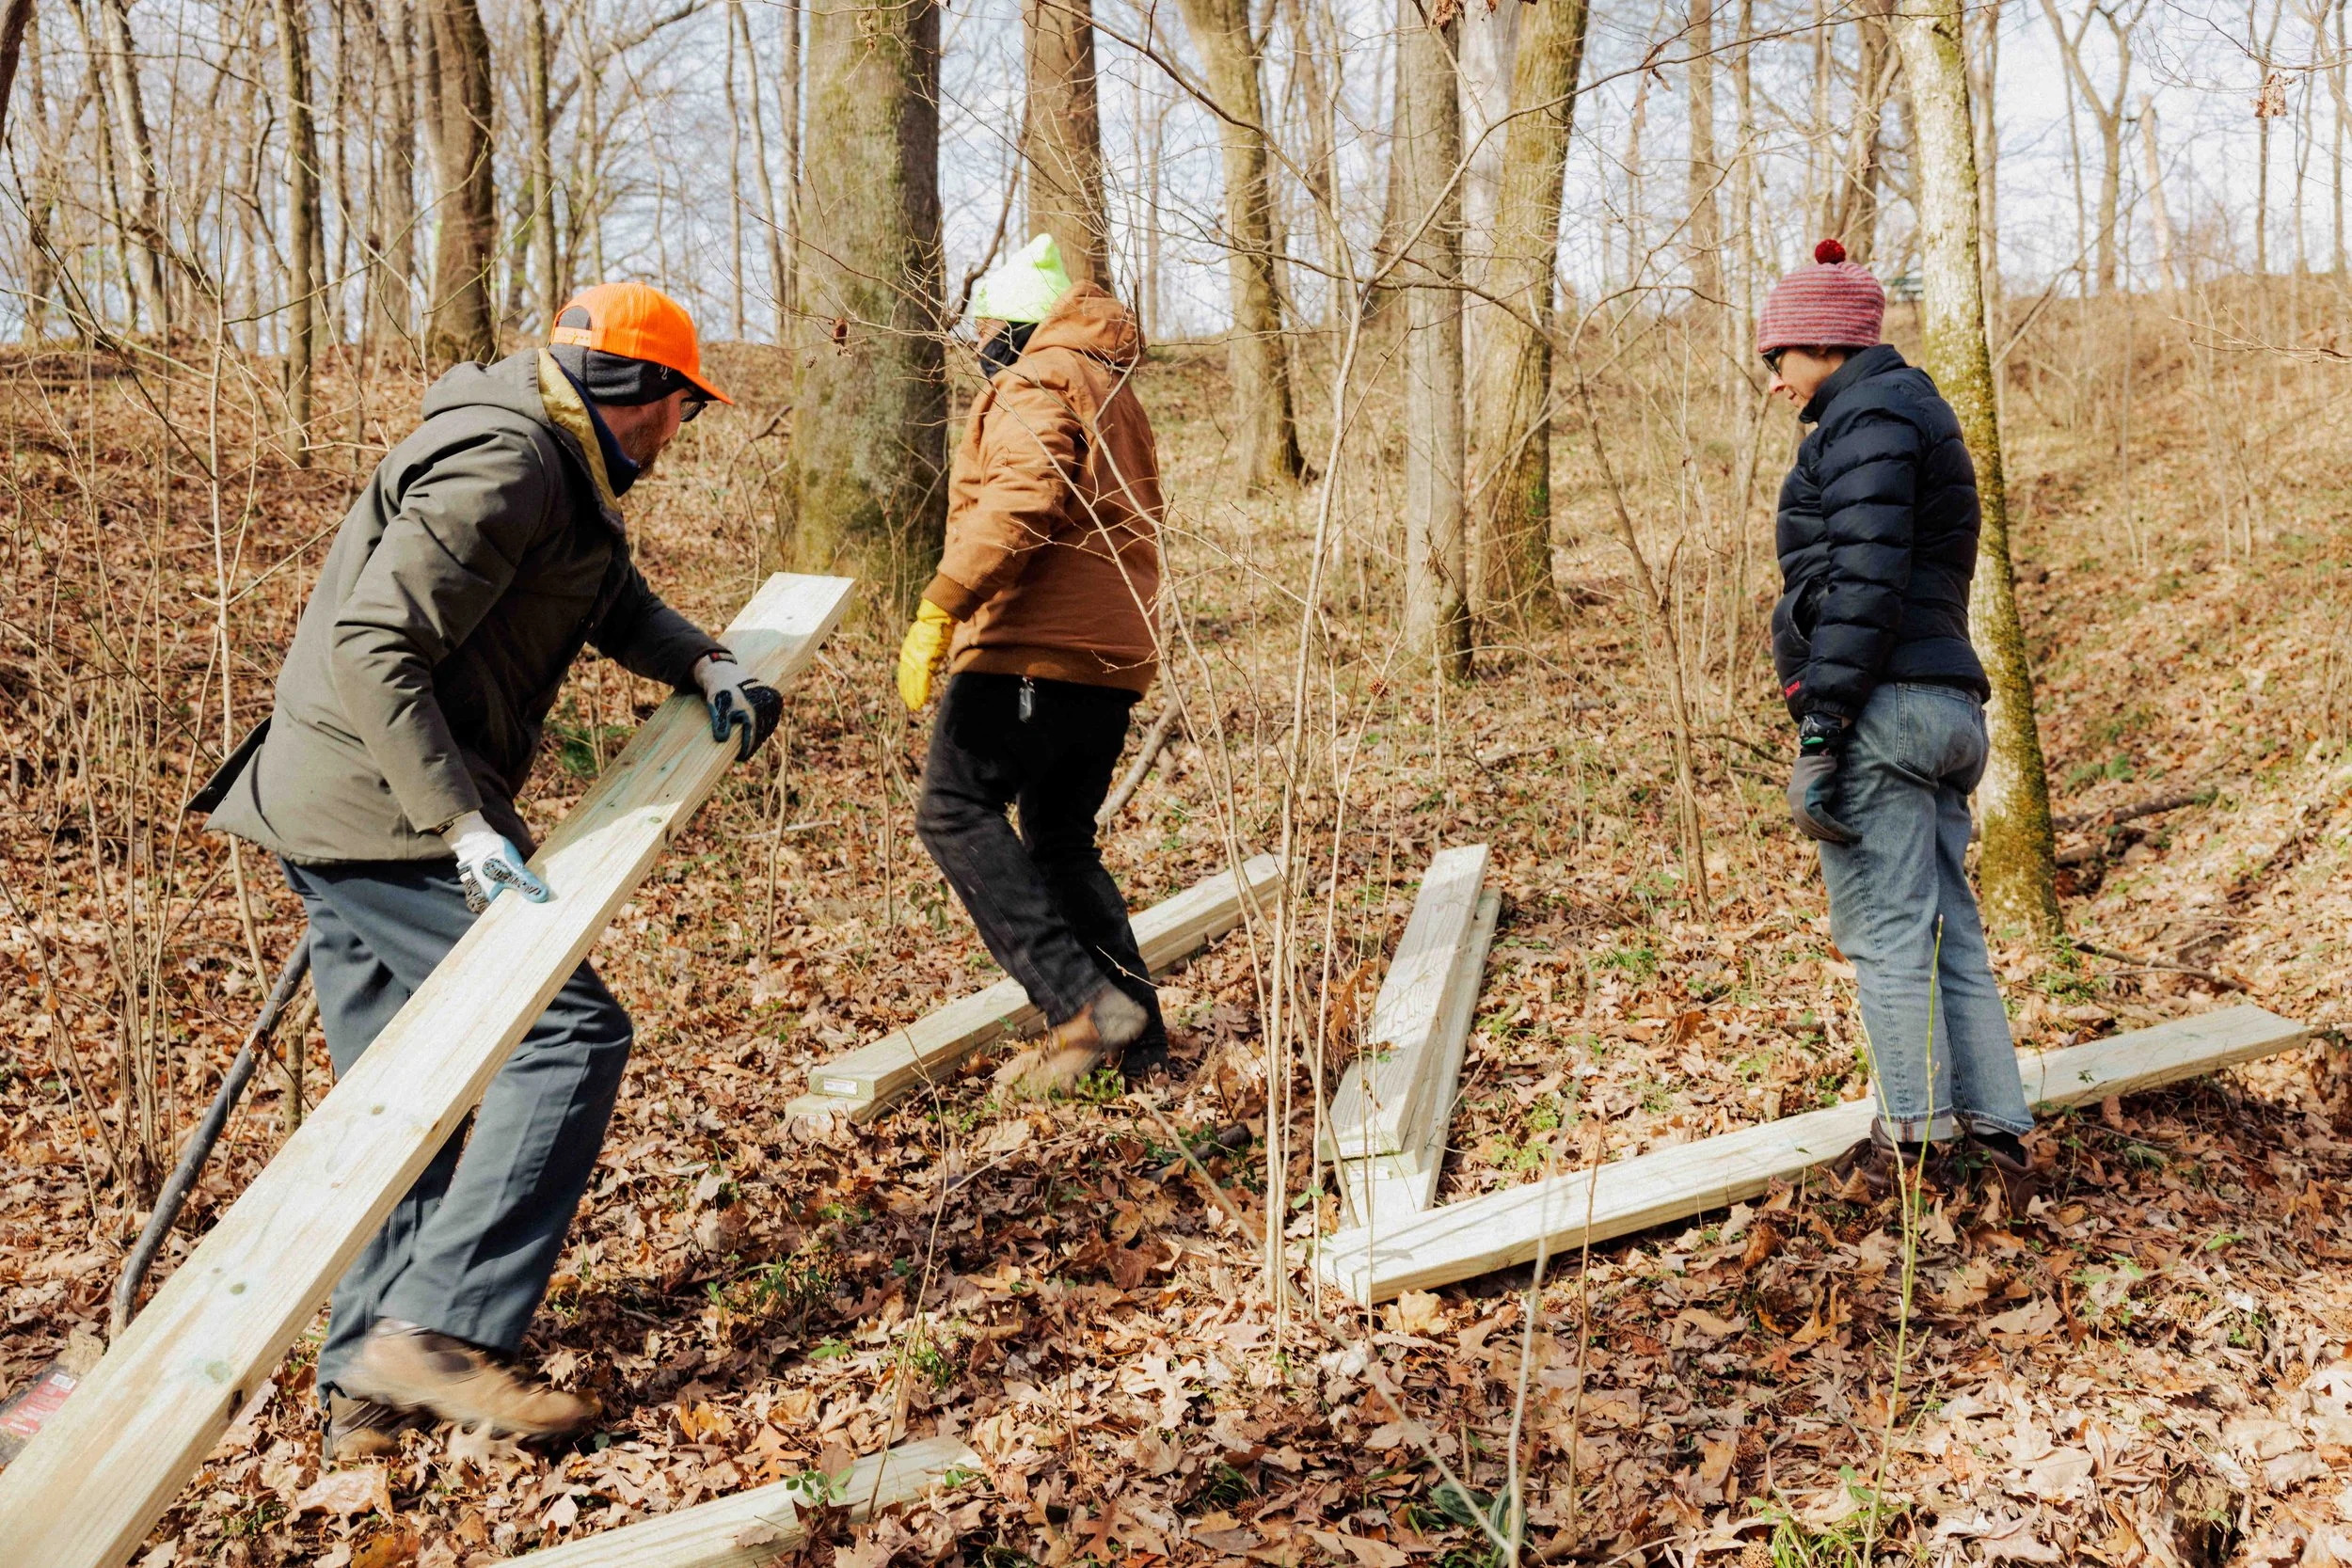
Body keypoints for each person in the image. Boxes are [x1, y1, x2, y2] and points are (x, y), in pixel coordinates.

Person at [196, 282, 782, 1461]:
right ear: (637, 392)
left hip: (346, 809)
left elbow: (608, 599)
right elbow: (374, 643)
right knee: (568, 1035)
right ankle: (442, 1333)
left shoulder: (557, 468)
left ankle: (365, 1387)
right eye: (682, 404)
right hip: (385, 814)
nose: (682, 428)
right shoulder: (507, 463)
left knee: (400, 1100)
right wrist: (459, 822)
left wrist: (706, 660)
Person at [1760, 238, 2033, 1186]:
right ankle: (1996, 1136)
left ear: (1825, 344)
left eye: (1779, 357)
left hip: (1884, 709)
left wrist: (1822, 727)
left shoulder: (1864, 419)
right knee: (1948, 927)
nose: (1774, 380)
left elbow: (1864, 584)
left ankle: (1910, 1146)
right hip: (1950, 707)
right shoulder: (1918, 411)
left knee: (1885, 931)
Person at [896, 234, 1168, 1099]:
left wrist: (942, 602)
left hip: (1031, 651)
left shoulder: (1036, 379)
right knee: (1058, 840)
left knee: (951, 809)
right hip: (1112, 661)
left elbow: (1027, 493)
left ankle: (1080, 1005)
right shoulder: (1113, 390)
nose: (979, 347)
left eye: (985, 331)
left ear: (1014, 327)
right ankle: (1140, 1041)